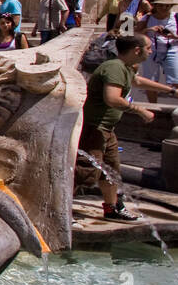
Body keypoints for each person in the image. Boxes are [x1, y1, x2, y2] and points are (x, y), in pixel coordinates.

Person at [75, 35, 175, 222]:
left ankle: (112, 208)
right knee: (85, 173)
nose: (151, 51)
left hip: (106, 129)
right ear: (137, 50)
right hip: (94, 128)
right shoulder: (114, 68)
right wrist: (140, 111)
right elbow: (112, 98)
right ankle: (58, 210)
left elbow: (138, 82)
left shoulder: (124, 68)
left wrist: (171, 91)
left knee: (111, 171)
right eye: (149, 48)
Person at [139, 0, 178, 102]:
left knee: (176, 80)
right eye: (161, 5)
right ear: (155, 6)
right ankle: (153, 107)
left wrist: (174, 36)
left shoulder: (176, 17)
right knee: (150, 81)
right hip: (151, 51)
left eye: (167, 6)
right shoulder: (147, 18)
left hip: (171, 50)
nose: (164, 8)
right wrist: (149, 30)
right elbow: (135, 34)